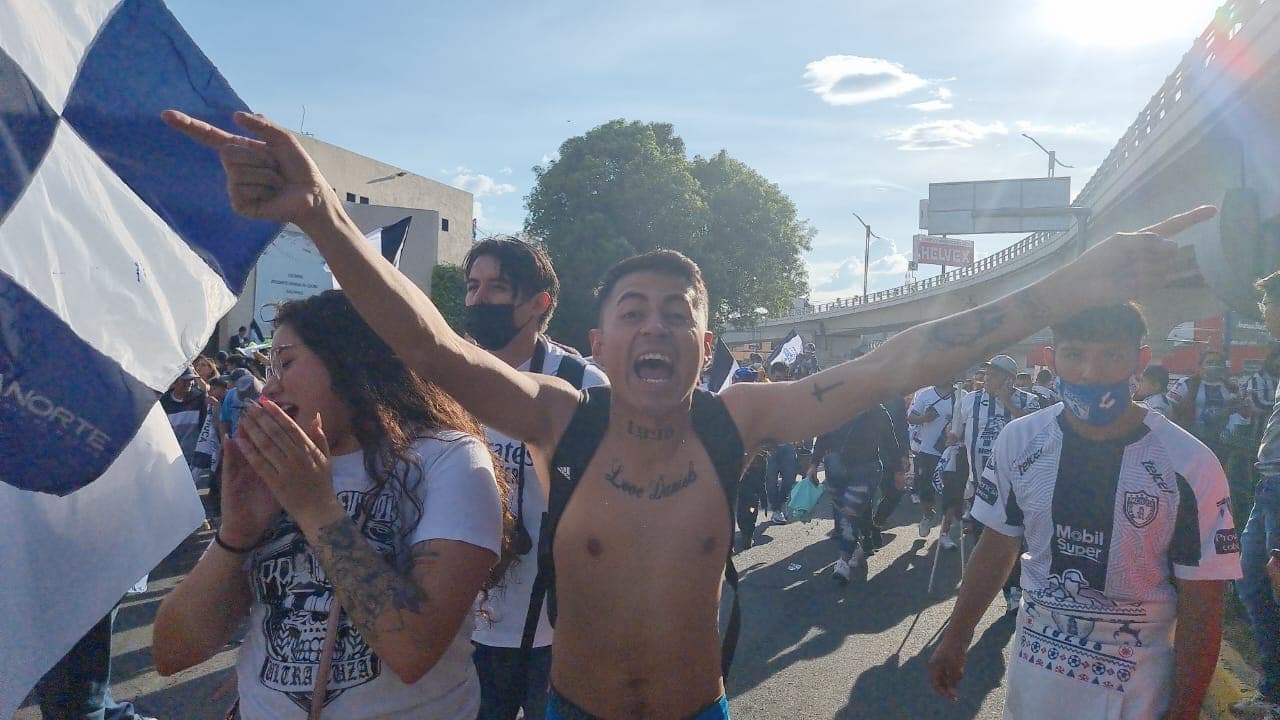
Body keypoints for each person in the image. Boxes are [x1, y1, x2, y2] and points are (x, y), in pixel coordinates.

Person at [165, 107, 1213, 719]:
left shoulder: (739, 420)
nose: (656, 326)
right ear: (604, 340)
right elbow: (429, 346)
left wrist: (1072, 281)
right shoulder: (557, 416)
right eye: (633, 312)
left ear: (703, 348)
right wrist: (318, 215)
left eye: (679, 314)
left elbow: (902, 360)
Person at [153, 291, 509, 719]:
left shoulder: (449, 458)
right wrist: (237, 533)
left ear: (351, 359)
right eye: (268, 370)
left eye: (285, 363)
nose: (271, 387)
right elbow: (172, 653)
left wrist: (315, 507)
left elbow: (413, 649)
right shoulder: (278, 470)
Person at [930, 303, 1241, 720]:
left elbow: (1204, 601)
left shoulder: (1190, 464)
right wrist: (957, 632)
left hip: (1135, 691)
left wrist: (1184, 710)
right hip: (1034, 678)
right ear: (1052, 356)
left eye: (1111, 356)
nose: (1089, 373)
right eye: (1074, 355)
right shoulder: (1019, 441)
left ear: (1141, 360)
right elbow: (998, 543)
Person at [462, 237, 608, 720]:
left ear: (538, 303)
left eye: (497, 287)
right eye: (473, 286)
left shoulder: (582, 385)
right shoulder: (452, 378)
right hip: (466, 621)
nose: (479, 299)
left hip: (554, 626)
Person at [949, 354, 1040, 592]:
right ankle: (985, 587)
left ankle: (1013, 588)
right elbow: (957, 430)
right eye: (987, 374)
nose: (987, 378)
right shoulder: (970, 401)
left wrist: (1006, 401)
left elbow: (1034, 432)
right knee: (983, 541)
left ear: (1009, 379)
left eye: (994, 375)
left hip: (1018, 485)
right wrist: (952, 437)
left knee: (1013, 542)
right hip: (980, 483)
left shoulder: (1029, 400)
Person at [1233, 270, 1280, 720]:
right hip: (1268, 486)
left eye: (1267, 303)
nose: (1263, 313)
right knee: (1249, 582)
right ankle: (1273, 691)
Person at [809, 401, 902, 581]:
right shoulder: (836, 406)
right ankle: (855, 547)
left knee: (849, 512)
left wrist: (898, 470)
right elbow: (823, 436)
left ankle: (843, 561)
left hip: (866, 470)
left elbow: (891, 442)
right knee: (842, 512)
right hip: (835, 469)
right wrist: (814, 463)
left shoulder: (877, 410)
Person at [905, 378, 958, 539]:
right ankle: (928, 515)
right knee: (924, 490)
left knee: (951, 493)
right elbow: (911, 418)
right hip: (928, 451)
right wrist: (925, 418)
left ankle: (945, 532)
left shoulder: (962, 396)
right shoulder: (925, 394)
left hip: (951, 452)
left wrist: (955, 421)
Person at [1169, 349, 1236, 452]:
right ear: (1200, 366)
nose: (1214, 365)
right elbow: (1170, 405)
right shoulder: (1187, 383)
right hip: (1191, 439)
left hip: (1220, 441)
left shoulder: (1230, 387)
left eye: (1218, 363)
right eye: (1209, 362)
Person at [763, 360, 802, 524]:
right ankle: (777, 509)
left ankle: (780, 505)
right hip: (769, 446)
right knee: (770, 482)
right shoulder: (763, 393)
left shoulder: (791, 393)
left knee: (789, 479)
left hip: (788, 444)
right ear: (771, 376)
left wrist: (800, 435)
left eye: (782, 377)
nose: (780, 380)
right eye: (777, 377)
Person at [161, 366, 208, 480]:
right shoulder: (164, 402)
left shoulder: (199, 398)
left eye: (191, 380)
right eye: (185, 380)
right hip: (170, 453)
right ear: (175, 381)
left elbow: (207, 390)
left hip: (192, 454)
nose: (189, 383)